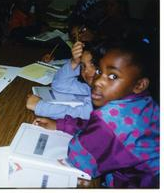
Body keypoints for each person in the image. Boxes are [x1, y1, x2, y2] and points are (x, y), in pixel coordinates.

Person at [33, 39, 159, 188]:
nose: (98, 81)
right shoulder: (144, 101)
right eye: (100, 71)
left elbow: (79, 157)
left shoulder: (112, 117)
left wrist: (77, 132)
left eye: (113, 76)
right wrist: (61, 124)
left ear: (139, 85)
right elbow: (97, 127)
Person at [27, 41, 103, 119]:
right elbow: (59, 84)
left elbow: (84, 115)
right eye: (83, 66)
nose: (86, 71)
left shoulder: (107, 96)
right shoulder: (89, 87)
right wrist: (74, 62)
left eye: (93, 64)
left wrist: (40, 106)